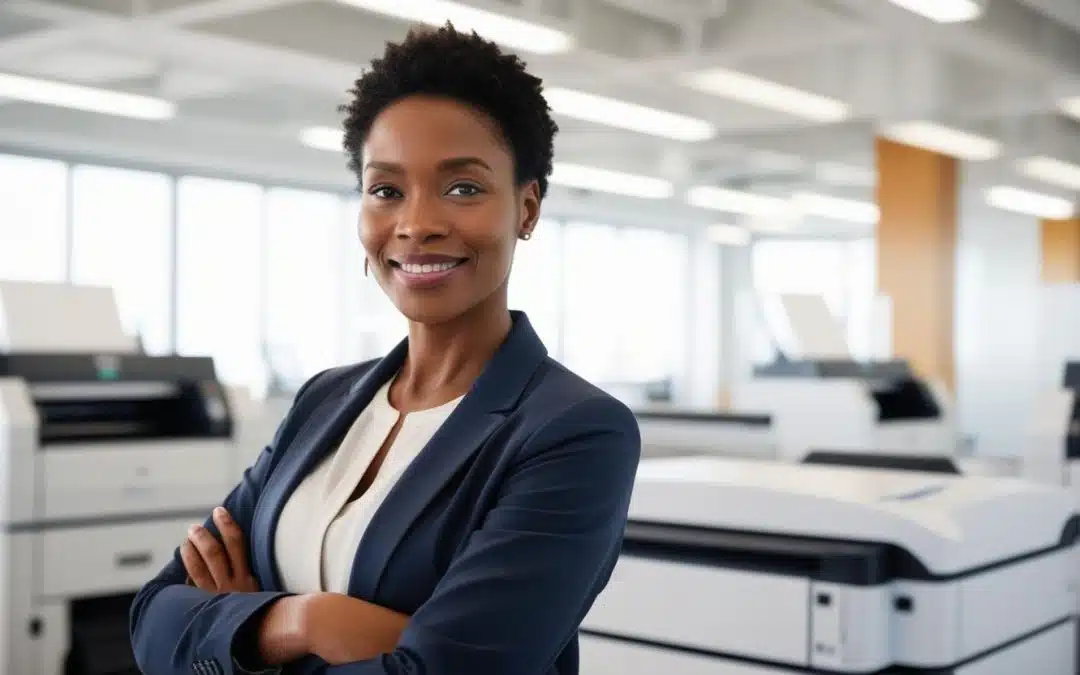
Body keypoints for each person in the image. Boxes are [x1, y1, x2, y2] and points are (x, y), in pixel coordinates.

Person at [128, 22, 642, 675]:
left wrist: (237, 629)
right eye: (386, 189)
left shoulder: (574, 431)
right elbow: (152, 619)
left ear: (527, 208)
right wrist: (301, 619)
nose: (418, 223)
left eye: (463, 187)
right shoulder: (324, 399)